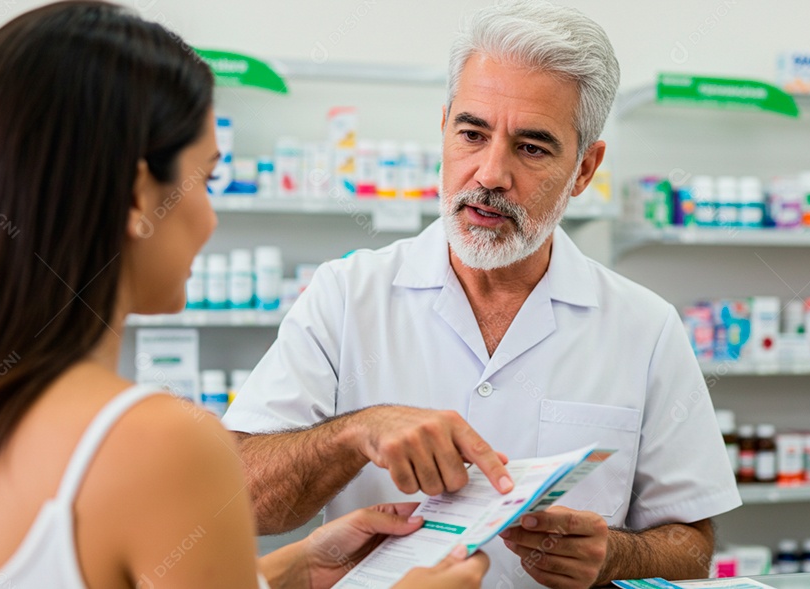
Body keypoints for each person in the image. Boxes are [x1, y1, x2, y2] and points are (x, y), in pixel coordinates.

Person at [0, 2, 489, 588]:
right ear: (136, 197)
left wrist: (296, 566)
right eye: (205, 179)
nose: (209, 218)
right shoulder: (162, 443)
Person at [224, 1, 742, 586]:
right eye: (472, 133)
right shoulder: (347, 295)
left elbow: (692, 545)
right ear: (443, 128)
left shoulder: (645, 326)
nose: (490, 173)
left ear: (585, 169)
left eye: (531, 147)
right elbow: (239, 499)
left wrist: (616, 557)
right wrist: (353, 432)